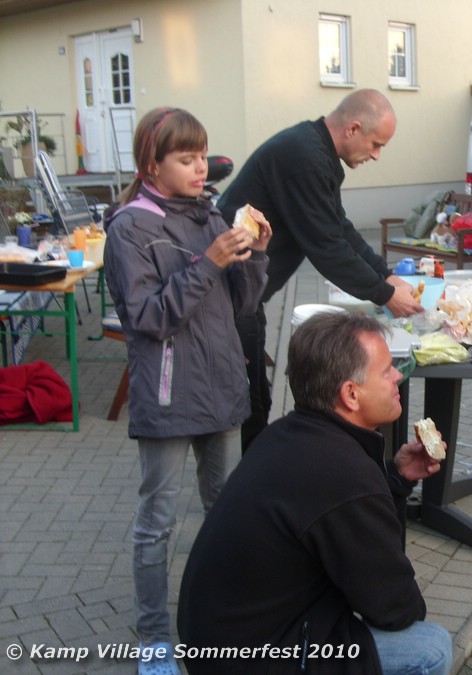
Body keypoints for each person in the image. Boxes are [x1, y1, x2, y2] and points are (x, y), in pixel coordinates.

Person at [177, 312, 452, 675]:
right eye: (386, 371)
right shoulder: (343, 472)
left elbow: (332, 509)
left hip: (217, 638)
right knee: (429, 648)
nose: (398, 377)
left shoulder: (287, 433)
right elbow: (395, 608)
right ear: (351, 394)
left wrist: (396, 478)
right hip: (252, 659)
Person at [103, 107, 271, 675]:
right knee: (158, 524)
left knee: (226, 514)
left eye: (203, 156)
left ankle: (227, 619)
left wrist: (256, 254)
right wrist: (208, 262)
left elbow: (242, 304)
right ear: (153, 165)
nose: (202, 167)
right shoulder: (130, 227)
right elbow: (147, 317)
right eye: (186, 158)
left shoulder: (210, 213)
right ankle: (153, 638)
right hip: (170, 396)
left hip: (222, 386)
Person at [217, 88, 423, 451]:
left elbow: (339, 227)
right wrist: (386, 295)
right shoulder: (304, 157)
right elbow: (327, 249)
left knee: (256, 396)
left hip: (246, 296)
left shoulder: (316, 151)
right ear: (353, 128)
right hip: (227, 296)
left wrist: (386, 275)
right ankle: (249, 478)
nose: (376, 155)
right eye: (376, 144)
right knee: (249, 402)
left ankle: (255, 470)